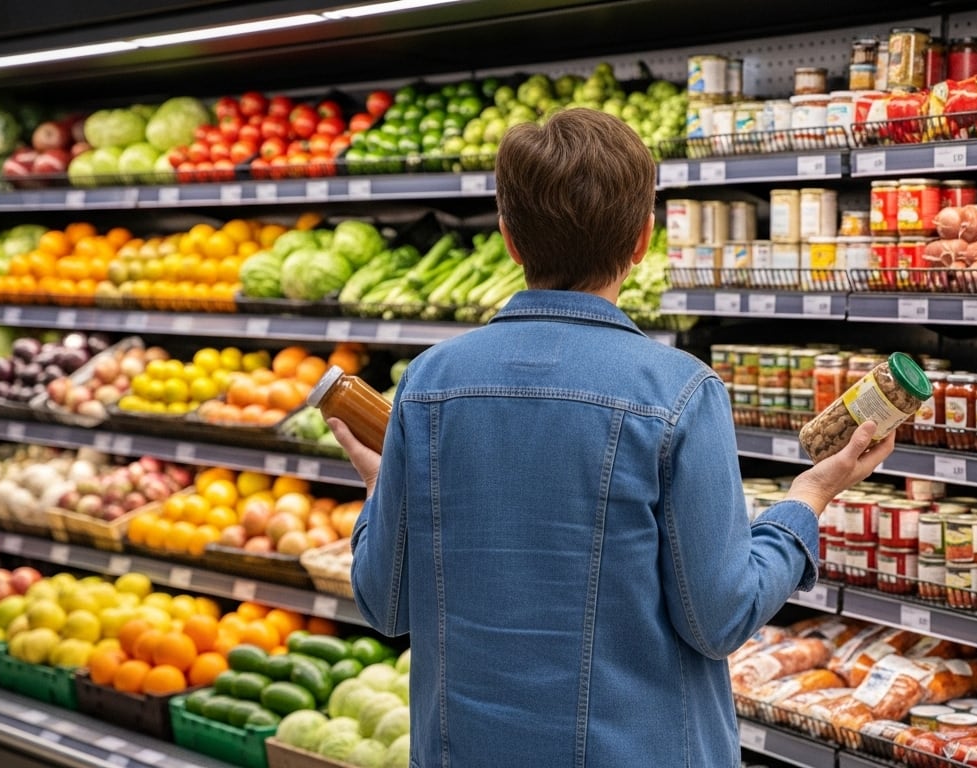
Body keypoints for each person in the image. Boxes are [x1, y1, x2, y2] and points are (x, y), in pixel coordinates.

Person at [331, 107, 896, 768]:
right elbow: (719, 616)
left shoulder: (428, 385)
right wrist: (809, 497)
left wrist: (381, 490)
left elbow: (383, 602)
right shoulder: (679, 393)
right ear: (642, 240)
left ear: (509, 238)